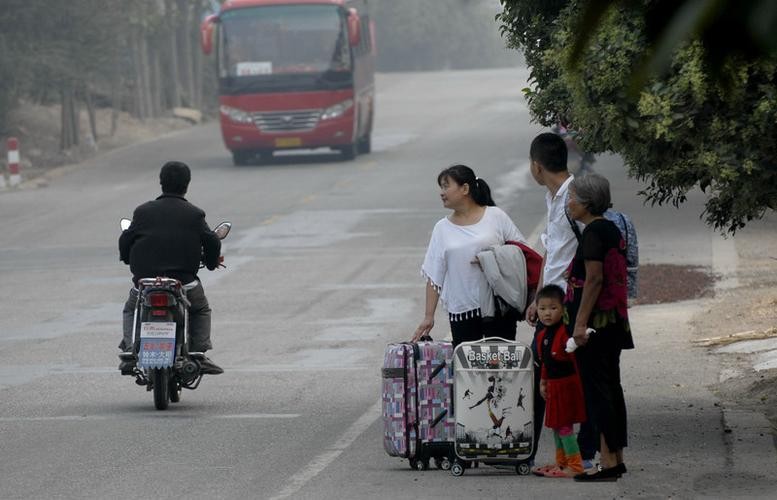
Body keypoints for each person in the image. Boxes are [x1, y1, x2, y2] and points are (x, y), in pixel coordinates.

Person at [525, 132, 593, 472]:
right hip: (549, 305)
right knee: (546, 382)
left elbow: (589, 249)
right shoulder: (553, 199)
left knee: (572, 382)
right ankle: (544, 455)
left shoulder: (576, 198)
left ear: (537, 166)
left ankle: (583, 455)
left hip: (569, 305)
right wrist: (538, 298)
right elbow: (550, 252)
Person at [118, 161, 224, 375]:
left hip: (145, 282)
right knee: (200, 309)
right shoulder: (194, 214)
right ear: (187, 184)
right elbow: (212, 241)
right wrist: (212, 263)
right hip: (184, 282)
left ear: (161, 183)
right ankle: (197, 354)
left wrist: (127, 258)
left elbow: (125, 240)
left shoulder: (143, 212)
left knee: (131, 308)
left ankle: (130, 350)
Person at [565, 173, 634, 482]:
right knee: (611, 388)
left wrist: (579, 323)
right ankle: (616, 457)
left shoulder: (594, 233)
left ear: (587, 202)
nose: (569, 203)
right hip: (614, 323)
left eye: (573, 198)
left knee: (599, 392)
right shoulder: (609, 229)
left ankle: (607, 462)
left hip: (596, 327)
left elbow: (594, 279)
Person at [411, 164, 526, 346]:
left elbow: (521, 253)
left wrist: (493, 259)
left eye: (446, 186)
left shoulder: (495, 216)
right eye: (441, 187)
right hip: (462, 311)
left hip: (499, 308)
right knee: (467, 370)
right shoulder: (442, 228)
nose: (442, 192)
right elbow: (434, 275)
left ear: (465, 188)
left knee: (500, 368)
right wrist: (428, 316)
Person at [533, 284, 587, 478]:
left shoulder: (565, 332)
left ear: (563, 309)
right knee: (557, 426)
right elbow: (546, 362)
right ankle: (561, 462)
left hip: (567, 385)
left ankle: (575, 465)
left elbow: (572, 357)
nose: (547, 313)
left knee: (564, 426)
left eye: (553, 308)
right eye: (543, 308)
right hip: (553, 386)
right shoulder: (541, 335)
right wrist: (543, 382)